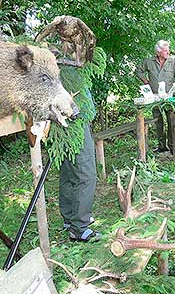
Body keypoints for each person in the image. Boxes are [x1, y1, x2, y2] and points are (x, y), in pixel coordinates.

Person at [58, 65, 101, 242]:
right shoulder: (69, 69)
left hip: (65, 127)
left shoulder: (64, 66)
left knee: (69, 173)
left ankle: (70, 218)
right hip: (76, 126)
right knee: (86, 174)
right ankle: (80, 228)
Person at [135, 40, 175, 153]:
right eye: (165, 51)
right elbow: (138, 71)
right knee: (158, 121)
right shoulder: (149, 61)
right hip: (154, 97)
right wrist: (145, 80)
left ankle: (173, 147)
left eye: (168, 50)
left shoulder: (173, 61)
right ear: (158, 52)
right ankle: (162, 146)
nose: (168, 52)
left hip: (169, 97)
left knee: (172, 121)